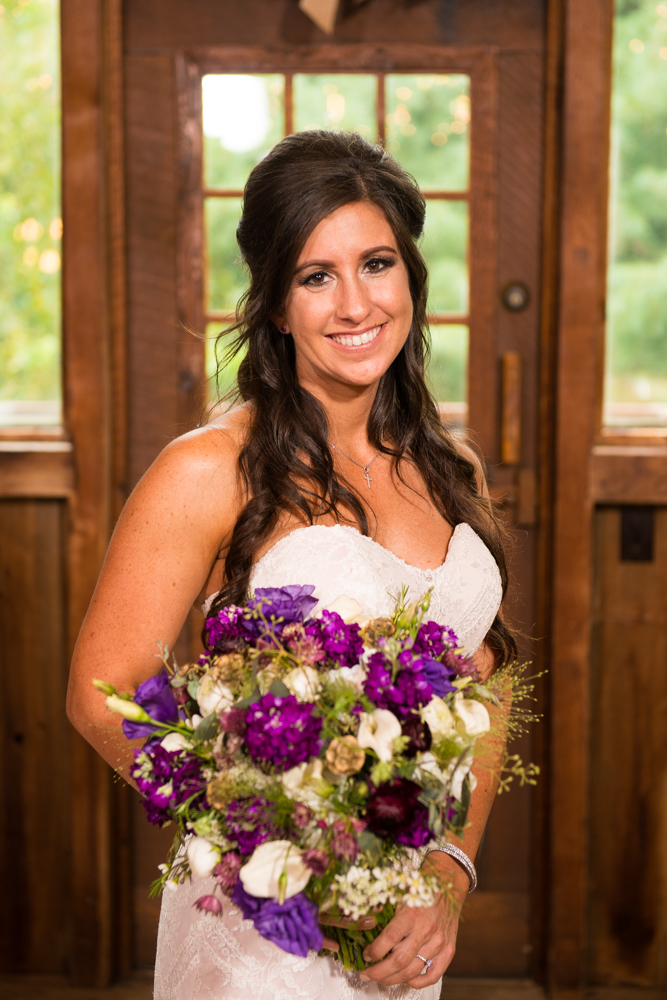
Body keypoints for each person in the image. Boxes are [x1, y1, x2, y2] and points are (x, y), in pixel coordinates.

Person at [67, 129, 514, 1000]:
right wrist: (280, 839)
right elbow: (100, 691)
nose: (354, 303)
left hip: (401, 927)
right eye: (316, 277)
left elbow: (484, 685)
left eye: (376, 264)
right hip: (263, 927)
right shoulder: (208, 471)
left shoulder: (451, 467)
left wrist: (449, 868)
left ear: (410, 281)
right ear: (275, 305)